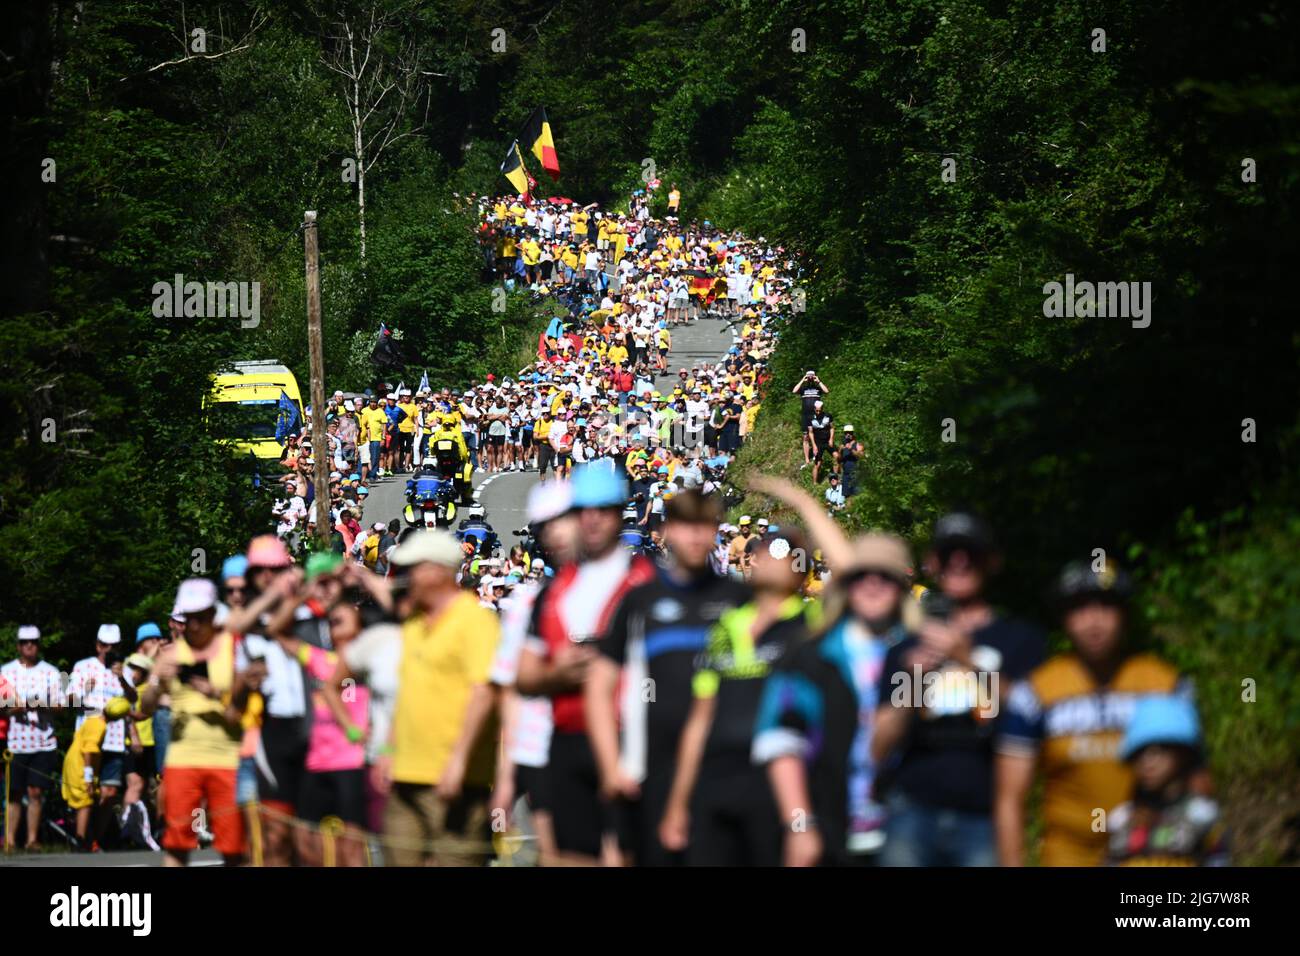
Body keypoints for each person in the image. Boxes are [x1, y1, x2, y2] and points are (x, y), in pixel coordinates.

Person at [747, 474, 916, 866]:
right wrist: (798, 825)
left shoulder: (919, 646)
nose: (872, 586)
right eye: (861, 578)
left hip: (907, 827)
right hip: (830, 822)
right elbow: (780, 739)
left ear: (901, 587)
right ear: (847, 585)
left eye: (885, 578)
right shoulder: (817, 651)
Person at [870, 512, 1045, 867]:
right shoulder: (904, 648)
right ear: (933, 563)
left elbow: (1032, 711)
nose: (960, 562)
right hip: (912, 808)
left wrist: (968, 659)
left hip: (988, 811)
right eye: (949, 553)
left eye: (971, 552)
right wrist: (913, 682)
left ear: (992, 562)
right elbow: (878, 746)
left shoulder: (1020, 640)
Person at [995, 559, 1193, 866]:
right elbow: (1011, 798)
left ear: (1125, 615)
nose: (1094, 621)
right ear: (1064, 618)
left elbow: (1197, 778)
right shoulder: (1033, 694)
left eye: (1107, 606)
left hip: (1153, 850)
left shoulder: (1165, 685)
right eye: (1080, 608)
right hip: (1068, 855)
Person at [586, 490, 748, 866]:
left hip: (725, 767)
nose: (694, 537)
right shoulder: (640, 601)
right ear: (667, 532)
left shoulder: (740, 599)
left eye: (704, 527)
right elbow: (600, 684)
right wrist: (612, 766)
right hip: (652, 768)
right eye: (686, 527)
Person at [516, 463, 657, 864]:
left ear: (621, 513)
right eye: (583, 510)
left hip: (637, 738)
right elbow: (524, 675)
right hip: (570, 741)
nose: (593, 520)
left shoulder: (650, 581)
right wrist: (558, 673)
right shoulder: (553, 593)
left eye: (605, 509)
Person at [660, 525, 814, 866]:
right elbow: (700, 719)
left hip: (781, 782)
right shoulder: (724, 627)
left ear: (801, 567)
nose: (764, 556)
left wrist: (803, 505)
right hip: (716, 780)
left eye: (780, 551)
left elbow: (853, 576)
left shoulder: (812, 625)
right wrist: (678, 802)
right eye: (760, 550)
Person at [383, 528, 503, 866]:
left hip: (454, 780)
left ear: (437, 570)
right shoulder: (414, 623)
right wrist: (387, 750)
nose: (405, 579)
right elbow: (405, 693)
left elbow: (484, 693)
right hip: (404, 775)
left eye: (412, 569)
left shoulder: (475, 621)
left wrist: (459, 761)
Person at [488, 481, 578, 866]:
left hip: (616, 753)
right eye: (546, 526)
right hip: (543, 751)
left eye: (564, 521)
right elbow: (510, 694)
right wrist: (507, 780)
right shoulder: (526, 602)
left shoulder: (634, 588)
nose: (556, 534)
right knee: (553, 854)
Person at [141, 578, 259, 867]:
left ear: (212, 615)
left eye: (200, 618)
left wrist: (217, 694)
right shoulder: (169, 655)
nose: (193, 625)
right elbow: (144, 709)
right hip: (182, 760)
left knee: (234, 848)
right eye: (188, 619)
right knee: (177, 844)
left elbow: (240, 713)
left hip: (226, 760)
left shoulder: (232, 651)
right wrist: (156, 685)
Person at [1104, 695, 1228, 866]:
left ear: (1183, 754)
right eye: (1139, 753)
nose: (1147, 762)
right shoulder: (1121, 819)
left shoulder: (1202, 816)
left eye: (1159, 751)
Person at [2, 626, 64, 850]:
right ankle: (9, 840)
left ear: (39, 644)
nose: (30, 645)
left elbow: (62, 705)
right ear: (18, 645)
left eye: (34, 642)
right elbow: (2, 706)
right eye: (25, 642)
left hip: (43, 741)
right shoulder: (5, 671)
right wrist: (13, 708)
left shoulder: (53, 672)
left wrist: (40, 703)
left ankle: (32, 839)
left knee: (35, 791)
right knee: (14, 793)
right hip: (16, 742)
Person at [66, 624, 128, 847]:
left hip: (114, 738)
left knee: (110, 792)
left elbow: (133, 701)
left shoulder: (124, 669)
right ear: (97, 645)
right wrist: (84, 689)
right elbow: (69, 700)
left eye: (113, 645)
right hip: (88, 739)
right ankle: (82, 838)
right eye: (103, 644)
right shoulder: (82, 667)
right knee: (86, 790)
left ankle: (96, 840)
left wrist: (122, 679)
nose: (107, 649)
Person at [792, 370, 828, 468]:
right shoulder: (803, 389)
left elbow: (826, 391)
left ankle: (817, 456)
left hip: (816, 416)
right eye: (809, 376)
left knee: (817, 435)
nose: (810, 378)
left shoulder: (817, 388)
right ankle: (807, 459)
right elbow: (794, 391)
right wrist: (802, 380)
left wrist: (818, 381)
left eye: (812, 376)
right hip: (805, 416)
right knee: (805, 437)